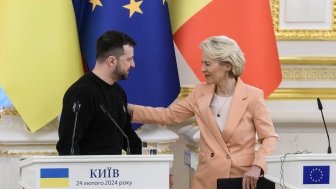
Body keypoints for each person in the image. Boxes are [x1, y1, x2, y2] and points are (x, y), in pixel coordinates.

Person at [128, 36, 278, 189]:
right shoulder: (200, 92)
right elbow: (169, 115)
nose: (202, 69)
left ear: (227, 65)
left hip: (241, 179)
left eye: (207, 64)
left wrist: (258, 166)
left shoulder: (253, 96)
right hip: (207, 178)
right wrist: (127, 109)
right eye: (203, 63)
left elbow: (269, 137)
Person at [57, 30, 142, 155]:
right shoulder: (81, 92)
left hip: (115, 172)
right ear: (111, 61)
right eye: (129, 59)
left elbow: (127, 136)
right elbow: (68, 144)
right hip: (87, 172)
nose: (133, 64)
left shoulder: (119, 93)